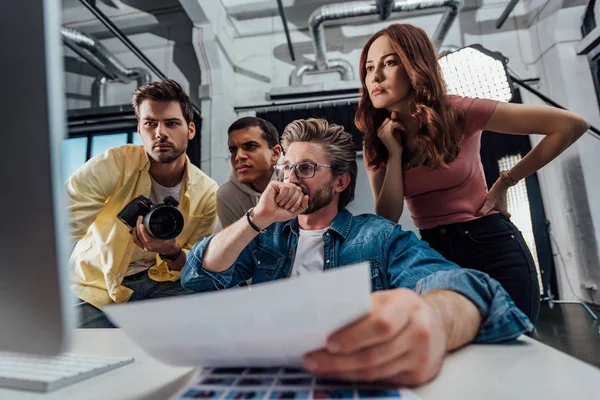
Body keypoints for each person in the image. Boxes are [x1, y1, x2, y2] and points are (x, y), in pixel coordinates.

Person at [181, 118, 533, 386]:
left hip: (349, 374)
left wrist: (434, 317)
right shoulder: (265, 236)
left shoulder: (376, 236)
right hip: (271, 374)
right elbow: (199, 275)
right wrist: (257, 218)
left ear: (340, 181)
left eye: (304, 169)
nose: (290, 179)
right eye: (286, 168)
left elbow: (458, 283)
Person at [355, 24, 591, 323]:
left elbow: (571, 125)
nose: (375, 76)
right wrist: (394, 152)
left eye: (389, 63)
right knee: (460, 360)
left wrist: (505, 182)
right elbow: (387, 216)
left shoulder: (458, 112)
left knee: (515, 352)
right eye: (369, 67)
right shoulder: (376, 140)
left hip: (492, 247)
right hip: (434, 256)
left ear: (415, 65)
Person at [67, 79, 218, 328]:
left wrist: (170, 251)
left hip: (163, 284)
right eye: (150, 123)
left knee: (209, 315)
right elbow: (64, 222)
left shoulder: (208, 192)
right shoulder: (112, 164)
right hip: (97, 283)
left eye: (171, 123)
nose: (160, 132)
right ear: (140, 130)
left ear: (190, 130)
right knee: (76, 349)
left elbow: (194, 265)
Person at [217, 117, 282, 227]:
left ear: (275, 153)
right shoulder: (227, 196)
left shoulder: (297, 178)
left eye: (250, 146)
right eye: (233, 150)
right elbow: (236, 243)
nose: (238, 156)